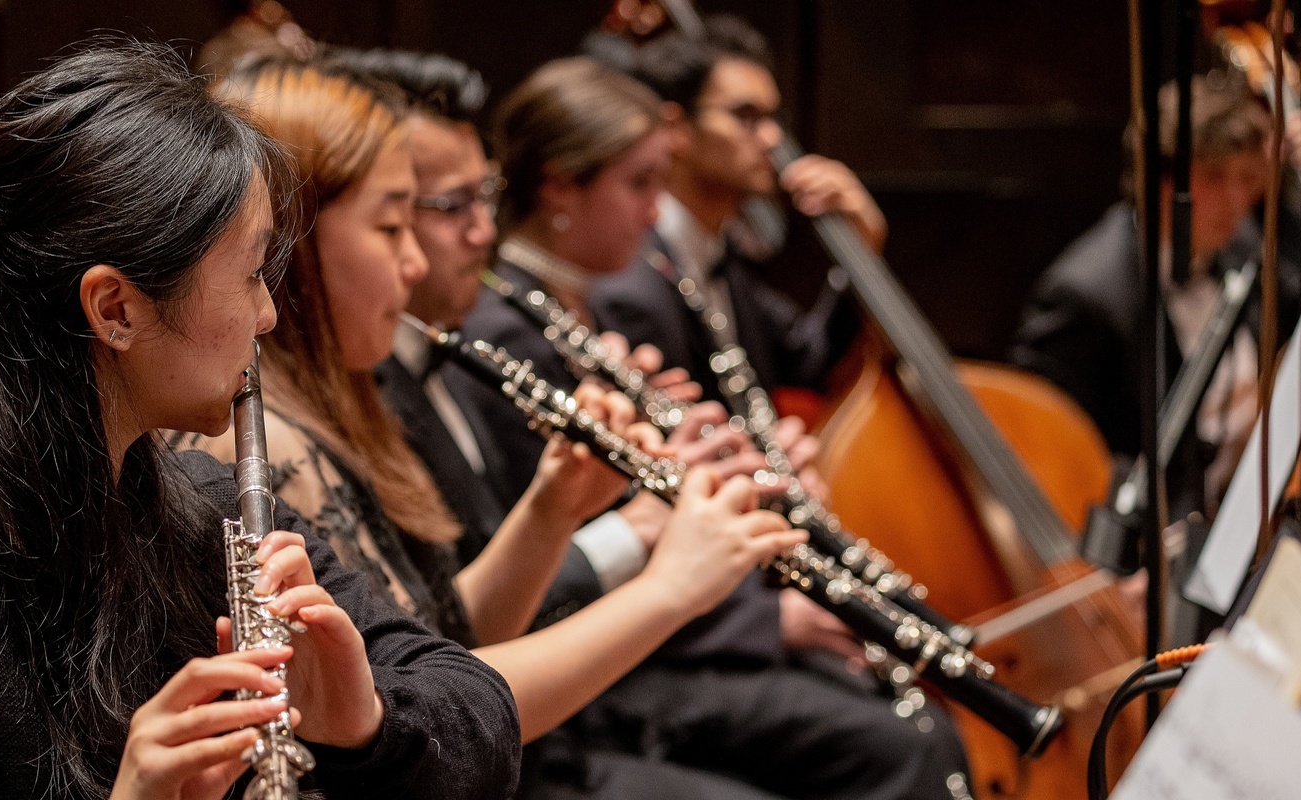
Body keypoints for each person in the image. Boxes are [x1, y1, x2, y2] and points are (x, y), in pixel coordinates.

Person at [0, 42, 520, 800]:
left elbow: (481, 709)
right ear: (115, 309)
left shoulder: (216, 515)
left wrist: (368, 722)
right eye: (253, 274)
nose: (266, 315)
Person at [195, 57, 810, 797]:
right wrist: (671, 587)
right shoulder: (259, 447)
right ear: (291, 246)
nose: (416, 259)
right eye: (394, 226)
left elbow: (440, 644)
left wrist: (555, 506)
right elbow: (420, 710)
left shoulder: (346, 401)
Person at [457, 54, 970, 800]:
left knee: (900, 719)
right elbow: (553, 559)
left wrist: (705, 461)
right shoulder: (516, 328)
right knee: (891, 743)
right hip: (612, 667)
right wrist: (760, 614)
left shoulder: (578, 303)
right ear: (560, 186)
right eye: (639, 184)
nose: (654, 211)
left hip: (660, 631)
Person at [1010, 74, 1290, 509]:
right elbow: (1048, 456)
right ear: (1160, 181)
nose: (1237, 200)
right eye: (1214, 178)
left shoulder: (1238, 243)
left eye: (1247, 178)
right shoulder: (1082, 296)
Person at [589, 15, 878, 410]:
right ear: (677, 128)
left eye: (773, 117)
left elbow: (811, 361)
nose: (772, 138)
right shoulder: (631, 282)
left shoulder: (723, 258)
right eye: (746, 116)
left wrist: (863, 252)